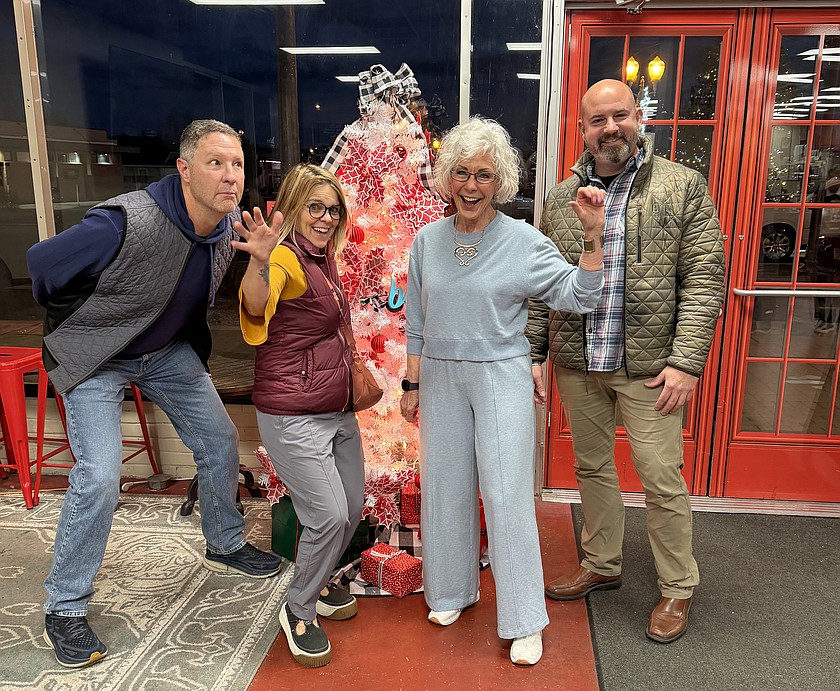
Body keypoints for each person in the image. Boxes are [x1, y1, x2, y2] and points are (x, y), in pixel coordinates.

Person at [26, 119, 282, 669]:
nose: (231, 176)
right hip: (97, 356)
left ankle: (225, 541)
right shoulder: (125, 221)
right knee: (99, 476)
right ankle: (64, 606)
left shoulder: (228, 228)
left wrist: (262, 259)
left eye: (237, 165)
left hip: (164, 352)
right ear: (184, 169)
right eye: (216, 163)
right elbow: (42, 268)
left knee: (219, 440)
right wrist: (85, 323)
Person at [399, 116, 605, 666]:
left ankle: (524, 618)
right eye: (461, 173)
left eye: (484, 175)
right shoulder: (427, 241)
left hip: (500, 375)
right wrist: (412, 383)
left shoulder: (523, 241)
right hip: (440, 375)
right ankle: (451, 590)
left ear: (501, 182)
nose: (471, 186)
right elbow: (416, 321)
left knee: (507, 494)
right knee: (444, 488)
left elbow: (580, 295)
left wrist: (592, 238)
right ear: (446, 176)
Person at [526, 79, 725, 644]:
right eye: (598, 120)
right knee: (591, 468)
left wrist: (687, 362)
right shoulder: (561, 200)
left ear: (638, 118)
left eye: (620, 116)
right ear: (582, 130)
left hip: (652, 366)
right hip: (580, 359)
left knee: (660, 476)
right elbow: (542, 284)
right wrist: (535, 353)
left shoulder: (681, 186)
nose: (610, 128)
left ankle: (677, 587)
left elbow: (705, 278)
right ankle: (602, 562)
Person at [237, 163, 364, 668]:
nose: (326, 217)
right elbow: (256, 305)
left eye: (333, 209)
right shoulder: (286, 258)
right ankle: (298, 609)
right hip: (294, 413)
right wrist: (259, 262)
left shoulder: (322, 258)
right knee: (328, 514)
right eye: (315, 207)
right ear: (293, 208)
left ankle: (321, 580)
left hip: (335, 408)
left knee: (351, 507)